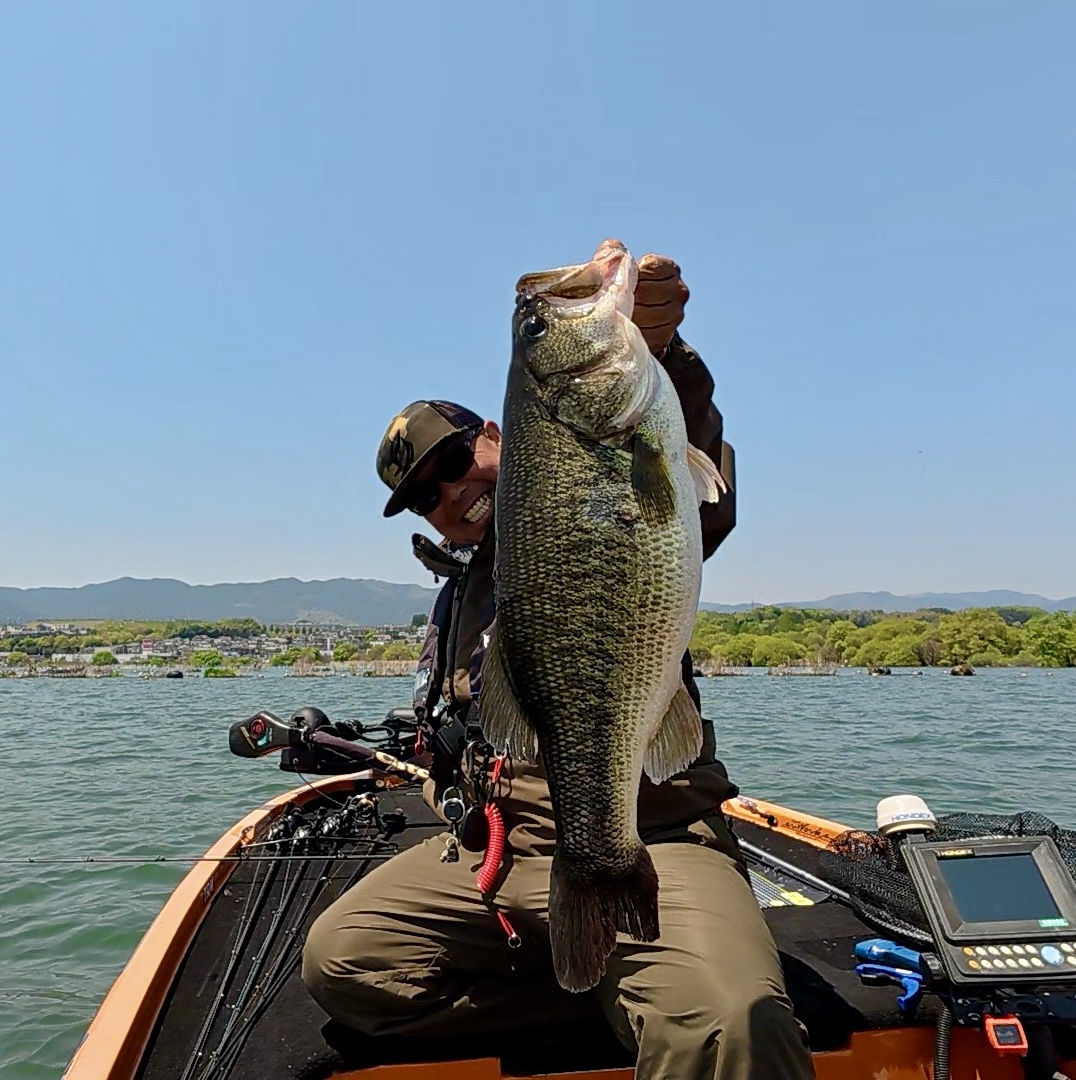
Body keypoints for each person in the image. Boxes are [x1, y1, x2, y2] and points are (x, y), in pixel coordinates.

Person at [301, 243, 815, 1080]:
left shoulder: (595, 483)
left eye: (456, 463)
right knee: (344, 963)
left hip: (653, 831)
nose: (450, 495)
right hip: (499, 852)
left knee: (732, 1026)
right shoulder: (457, 598)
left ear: (499, 434)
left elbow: (688, 476)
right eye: (426, 496)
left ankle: (652, 982)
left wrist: (664, 350)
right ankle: (605, 987)